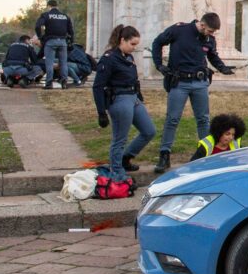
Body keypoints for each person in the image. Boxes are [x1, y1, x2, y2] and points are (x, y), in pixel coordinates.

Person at [151, 12, 236, 174]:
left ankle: (205, 154)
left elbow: (212, 56)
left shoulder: (209, 39)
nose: (211, 35)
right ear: (202, 25)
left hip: (200, 83)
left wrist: (223, 68)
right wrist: (159, 65)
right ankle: (164, 154)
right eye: (210, 31)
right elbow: (157, 42)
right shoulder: (179, 30)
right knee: (173, 119)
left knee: (203, 119)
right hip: (179, 82)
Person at [93, 24, 155, 181]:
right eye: (132, 44)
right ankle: (116, 171)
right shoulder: (109, 58)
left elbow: (134, 79)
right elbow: (98, 86)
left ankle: (125, 158)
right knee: (120, 139)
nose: (134, 48)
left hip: (133, 98)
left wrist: (139, 98)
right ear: (122, 40)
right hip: (119, 100)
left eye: (136, 45)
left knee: (149, 131)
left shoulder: (128, 57)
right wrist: (101, 112)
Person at [35, 0, 74, 89]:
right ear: (57, 6)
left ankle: (49, 83)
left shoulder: (46, 15)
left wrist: (40, 37)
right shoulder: (65, 16)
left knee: (49, 63)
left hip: (50, 41)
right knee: (63, 63)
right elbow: (71, 31)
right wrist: (71, 42)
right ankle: (64, 82)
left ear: (49, 6)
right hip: (63, 41)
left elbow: (37, 26)